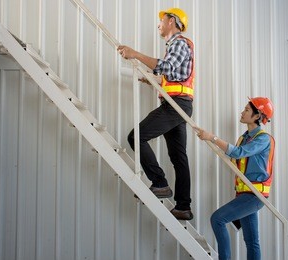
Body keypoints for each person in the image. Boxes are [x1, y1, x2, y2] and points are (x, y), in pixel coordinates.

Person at [117, 8, 195, 220]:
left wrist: (136, 54)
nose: (159, 24)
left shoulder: (179, 43)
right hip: (178, 103)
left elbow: (168, 68)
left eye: (162, 20)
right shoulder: (175, 46)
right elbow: (173, 76)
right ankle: (183, 206)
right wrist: (150, 79)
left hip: (175, 105)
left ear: (172, 21)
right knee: (179, 157)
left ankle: (160, 184)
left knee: (136, 136)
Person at [195, 97, 275, 260]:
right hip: (244, 194)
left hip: (255, 195)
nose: (242, 112)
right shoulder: (244, 138)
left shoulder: (263, 138)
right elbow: (235, 158)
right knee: (252, 241)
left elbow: (238, 153)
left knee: (217, 219)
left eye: (246, 110)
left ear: (257, 115)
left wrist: (212, 138)